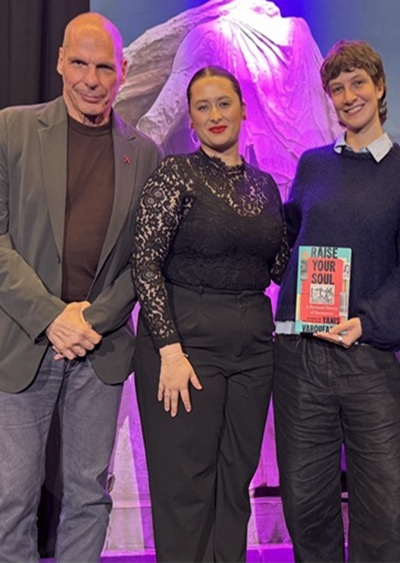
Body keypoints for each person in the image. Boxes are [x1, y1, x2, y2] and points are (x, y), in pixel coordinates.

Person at [0, 12, 160, 563]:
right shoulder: (11, 130)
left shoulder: (145, 153)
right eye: (80, 64)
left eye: (104, 68)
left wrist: (88, 321)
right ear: (59, 63)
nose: (92, 80)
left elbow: (144, 259)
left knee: (89, 496)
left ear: (123, 71)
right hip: (24, 341)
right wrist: (52, 316)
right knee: (11, 500)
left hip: (101, 348)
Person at [131, 65, 289, 562]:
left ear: (242, 110)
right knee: (186, 488)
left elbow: (281, 265)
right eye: (203, 106)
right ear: (191, 119)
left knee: (234, 480)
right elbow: (145, 263)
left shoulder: (265, 186)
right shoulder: (174, 174)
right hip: (185, 345)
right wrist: (169, 351)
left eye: (224, 103)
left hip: (253, 349)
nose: (215, 114)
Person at [274, 40, 400, 562]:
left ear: (380, 87)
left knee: (385, 508)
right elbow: (288, 242)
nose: (348, 96)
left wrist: (368, 322)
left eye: (358, 83)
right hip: (302, 358)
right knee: (306, 506)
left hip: (370, 357)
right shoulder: (313, 165)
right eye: (337, 88)